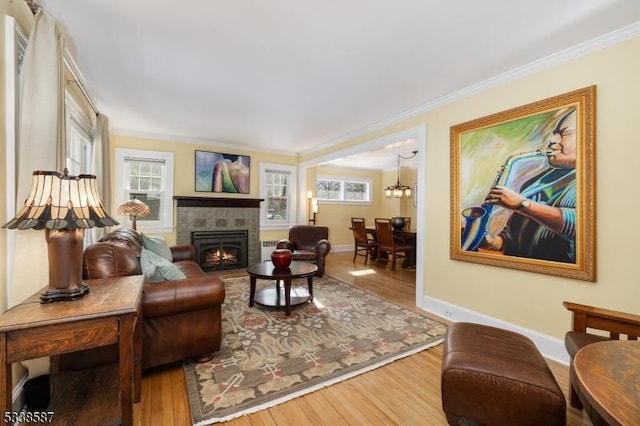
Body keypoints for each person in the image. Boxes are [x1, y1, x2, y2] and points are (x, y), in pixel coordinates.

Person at [480, 108, 577, 263]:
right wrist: (491, 242)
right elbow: (513, 238)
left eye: (564, 134)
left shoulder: (586, 182)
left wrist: (522, 204)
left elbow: (579, 224)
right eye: (554, 134)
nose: (552, 141)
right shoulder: (538, 181)